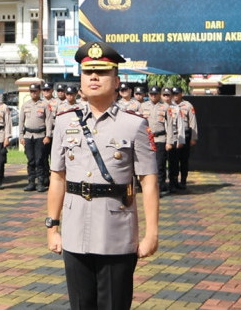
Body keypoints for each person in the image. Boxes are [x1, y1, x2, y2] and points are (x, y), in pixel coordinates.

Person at [46, 41, 159, 309]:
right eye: (88, 73)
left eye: (102, 72)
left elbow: (149, 182)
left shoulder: (134, 124)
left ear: (117, 80)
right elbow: (57, 178)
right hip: (74, 232)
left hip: (115, 233)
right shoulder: (64, 121)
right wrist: (52, 227)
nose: (94, 77)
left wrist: (151, 233)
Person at [140, 86, 174, 194]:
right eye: (151, 94)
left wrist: (169, 142)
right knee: (147, 165)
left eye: (155, 94)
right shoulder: (143, 106)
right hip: (147, 140)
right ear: (148, 95)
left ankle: (159, 188)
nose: (153, 96)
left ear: (159, 95)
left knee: (160, 165)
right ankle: (148, 187)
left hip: (160, 138)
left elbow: (169, 126)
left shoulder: (165, 107)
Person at [19, 83, 52, 192]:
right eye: (31, 91)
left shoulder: (44, 104)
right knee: (30, 160)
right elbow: (21, 121)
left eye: (35, 91)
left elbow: (48, 121)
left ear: (39, 91)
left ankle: (41, 183)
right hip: (28, 136)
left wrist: (48, 135)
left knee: (40, 160)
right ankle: (31, 182)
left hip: (40, 136)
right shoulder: (25, 105)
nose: (33, 93)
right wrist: (21, 136)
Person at [171, 87, 198, 190]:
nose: (175, 95)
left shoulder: (187, 105)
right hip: (174, 134)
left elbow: (193, 122)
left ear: (182, 94)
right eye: (173, 93)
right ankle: (174, 181)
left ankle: (183, 181)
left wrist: (193, 138)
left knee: (184, 160)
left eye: (177, 93)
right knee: (174, 159)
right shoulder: (170, 105)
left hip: (186, 134)